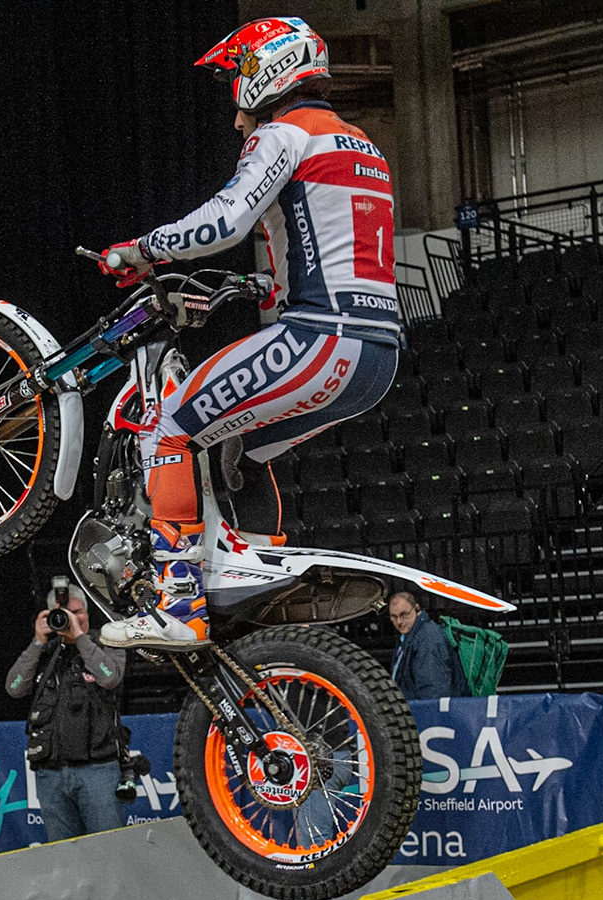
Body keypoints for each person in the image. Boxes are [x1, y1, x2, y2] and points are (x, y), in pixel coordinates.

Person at [97, 18, 399, 648]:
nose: (237, 115)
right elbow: (334, 250)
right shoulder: (362, 145)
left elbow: (226, 222)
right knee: (242, 448)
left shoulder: (284, 133)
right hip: (378, 353)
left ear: (267, 72)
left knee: (172, 426)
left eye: (238, 81)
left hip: (321, 339)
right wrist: (257, 288)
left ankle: (178, 602)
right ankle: (256, 576)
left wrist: (145, 250)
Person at [5, 583, 130, 842]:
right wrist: (37, 642)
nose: (73, 618)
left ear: (87, 612)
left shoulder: (108, 642)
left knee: (108, 852)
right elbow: (14, 688)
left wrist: (80, 638)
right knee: (66, 862)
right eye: (64, 613)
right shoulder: (46, 652)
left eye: (78, 612)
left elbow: (110, 678)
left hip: (98, 772)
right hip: (51, 775)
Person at [387, 591, 467, 699]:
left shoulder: (428, 638)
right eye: (394, 617)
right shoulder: (408, 636)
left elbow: (433, 690)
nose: (399, 621)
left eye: (404, 614)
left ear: (417, 609)